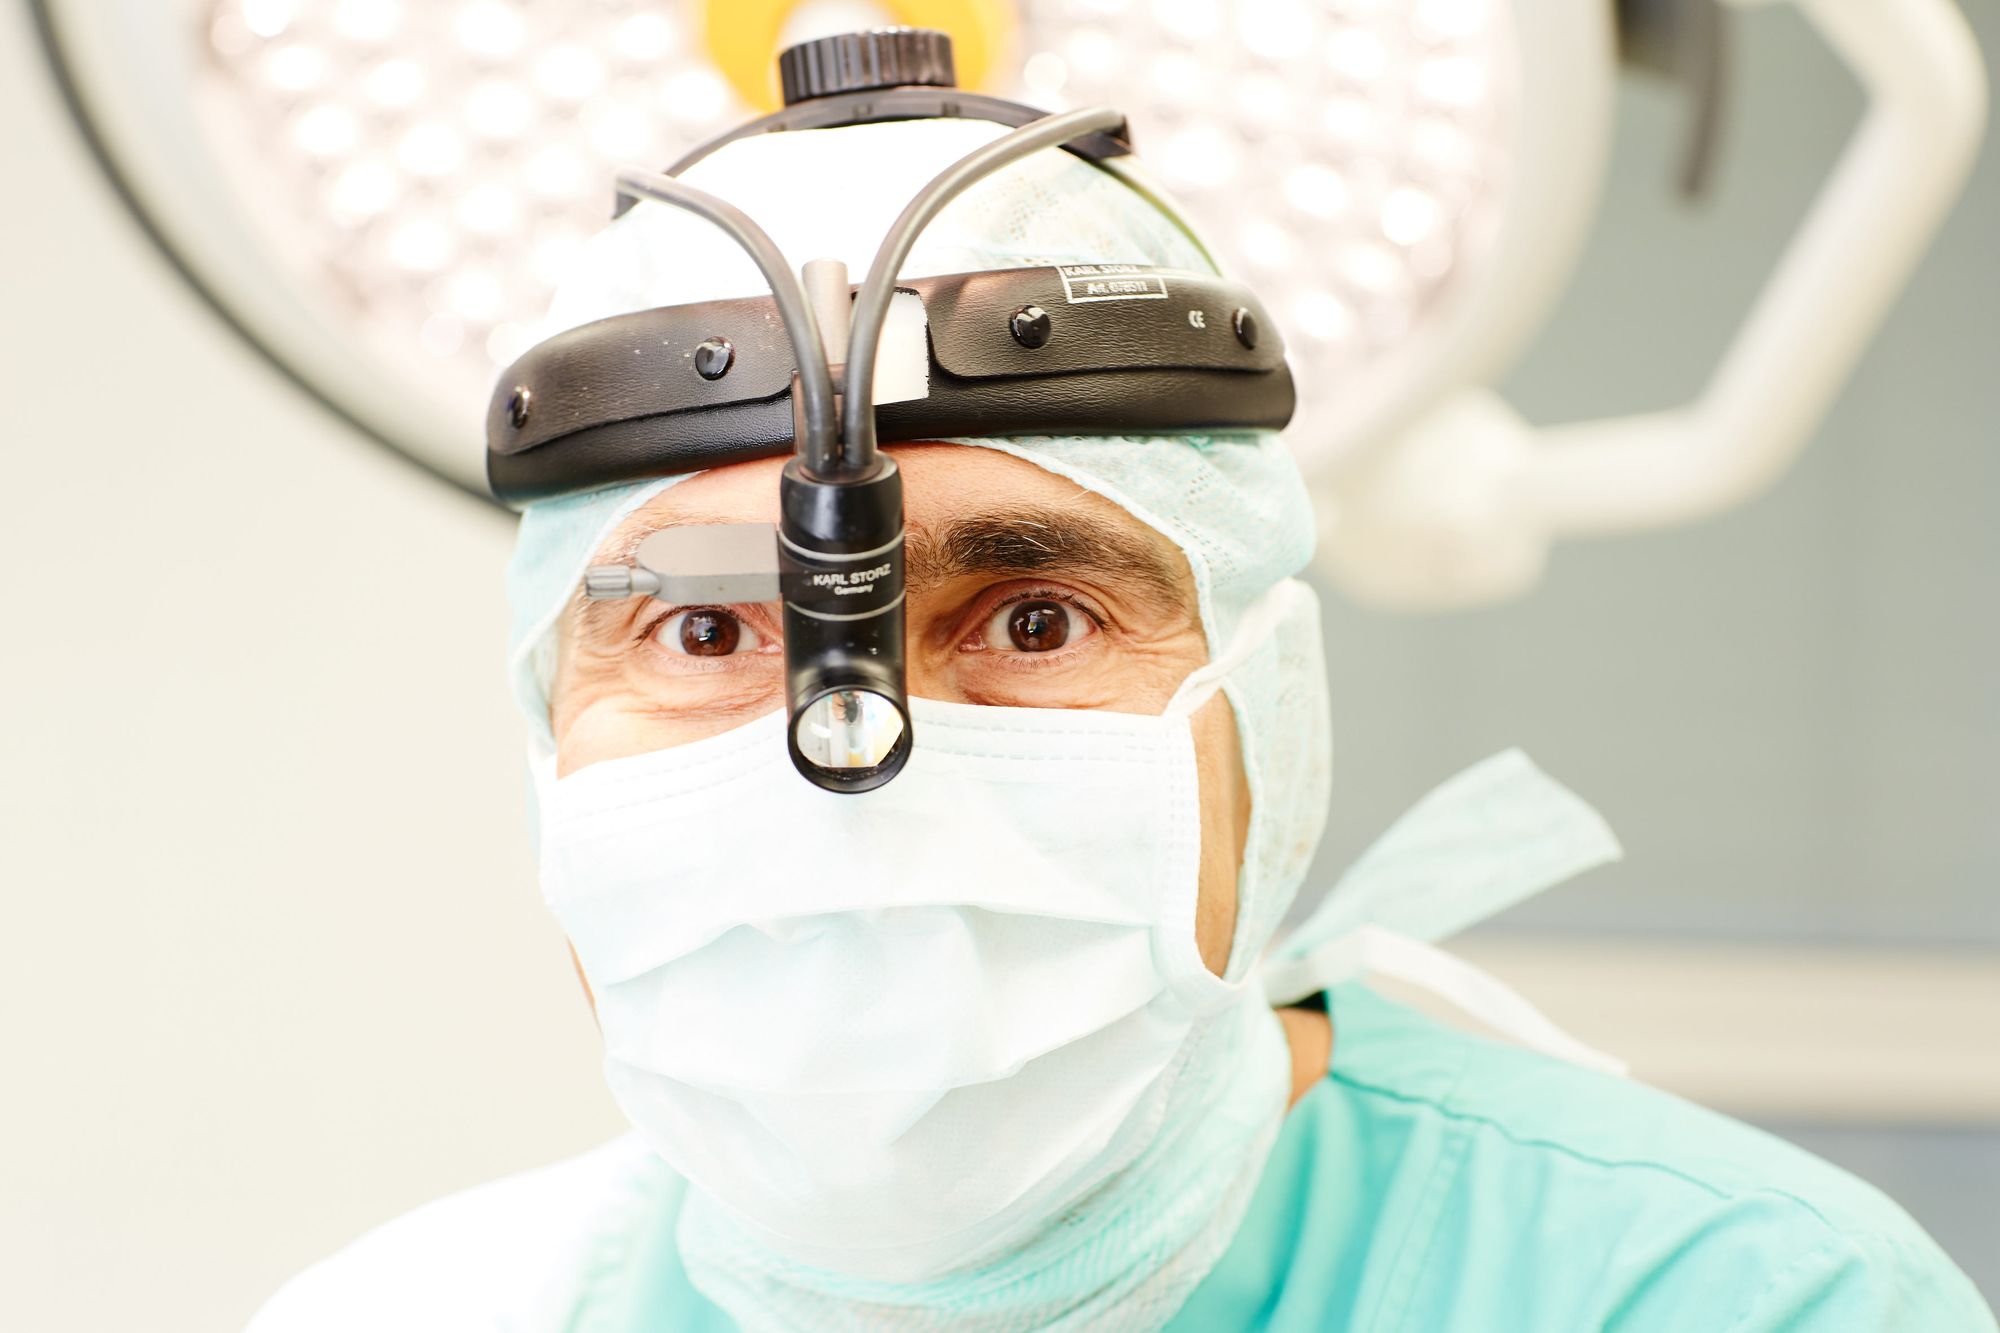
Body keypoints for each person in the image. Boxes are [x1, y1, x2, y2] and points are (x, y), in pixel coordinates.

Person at [248, 84, 1994, 1333]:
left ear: (1265, 724)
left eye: (1033, 617)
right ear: (547, 743)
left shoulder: (1726, 1295)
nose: (852, 760)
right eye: (703, 630)